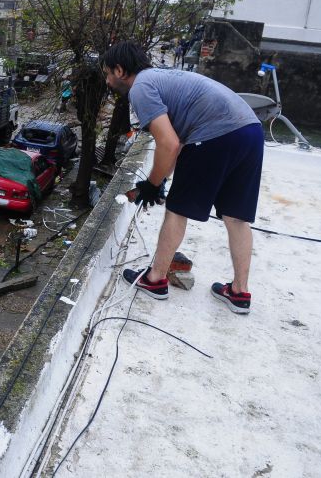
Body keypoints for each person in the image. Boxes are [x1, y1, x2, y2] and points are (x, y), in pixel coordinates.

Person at [102, 41, 263, 314]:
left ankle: (155, 280)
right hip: (250, 131)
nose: (107, 80)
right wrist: (163, 177)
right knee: (236, 218)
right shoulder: (165, 76)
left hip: (215, 135)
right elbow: (177, 142)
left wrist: (152, 184)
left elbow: (169, 144)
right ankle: (239, 293)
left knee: (177, 210)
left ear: (120, 70)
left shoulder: (140, 88)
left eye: (107, 73)